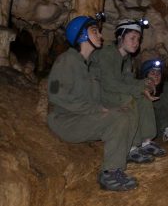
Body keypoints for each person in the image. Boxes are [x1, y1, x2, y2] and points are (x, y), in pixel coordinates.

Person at [47, 15, 139, 191]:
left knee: (125, 112)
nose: (101, 36)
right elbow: (56, 94)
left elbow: (98, 97)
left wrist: (112, 107)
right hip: (65, 120)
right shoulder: (66, 60)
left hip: (84, 117)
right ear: (81, 35)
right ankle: (110, 173)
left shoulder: (91, 66)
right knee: (117, 119)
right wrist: (97, 109)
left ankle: (119, 160)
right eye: (94, 31)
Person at [89, 18, 164, 163]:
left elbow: (128, 81)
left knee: (143, 97)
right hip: (98, 94)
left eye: (138, 39)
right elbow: (110, 84)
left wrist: (145, 83)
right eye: (132, 38)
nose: (136, 43)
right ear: (120, 37)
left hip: (111, 91)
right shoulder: (108, 53)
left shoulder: (127, 59)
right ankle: (130, 147)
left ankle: (146, 142)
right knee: (128, 99)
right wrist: (139, 88)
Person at [141, 58, 168, 142]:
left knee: (166, 102)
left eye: (158, 73)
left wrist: (160, 96)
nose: (156, 76)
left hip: (162, 124)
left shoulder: (165, 86)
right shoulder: (140, 86)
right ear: (146, 75)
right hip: (147, 124)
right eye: (152, 73)